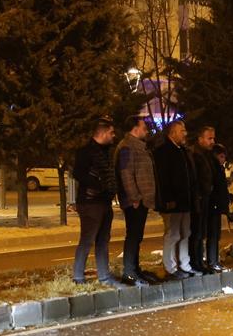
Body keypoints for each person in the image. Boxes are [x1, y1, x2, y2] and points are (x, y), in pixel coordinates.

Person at [72, 117, 119, 286]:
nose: (114, 135)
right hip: (90, 203)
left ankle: (104, 276)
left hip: (104, 202)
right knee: (87, 239)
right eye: (112, 132)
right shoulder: (86, 152)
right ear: (103, 132)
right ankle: (78, 277)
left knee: (103, 240)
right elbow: (78, 173)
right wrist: (98, 185)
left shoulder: (106, 151)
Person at [153, 120, 200, 280]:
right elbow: (163, 179)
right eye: (182, 130)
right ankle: (170, 267)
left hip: (185, 201)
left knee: (185, 233)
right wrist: (168, 199)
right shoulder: (163, 152)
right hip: (173, 202)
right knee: (172, 234)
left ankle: (184, 264)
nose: (185, 133)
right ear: (172, 133)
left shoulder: (182, 151)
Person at [115, 115, 157, 286]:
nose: (146, 130)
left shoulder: (137, 146)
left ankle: (135, 269)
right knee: (133, 235)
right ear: (135, 128)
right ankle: (129, 272)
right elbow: (126, 174)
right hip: (135, 201)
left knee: (137, 235)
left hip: (141, 200)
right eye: (143, 127)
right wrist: (135, 197)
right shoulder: (127, 147)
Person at [189, 126, 217, 273]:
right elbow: (195, 178)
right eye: (209, 138)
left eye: (213, 138)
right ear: (200, 139)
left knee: (201, 232)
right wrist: (199, 195)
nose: (212, 141)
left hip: (205, 198)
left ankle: (200, 262)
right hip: (199, 199)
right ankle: (196, 262)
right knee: (197, 233)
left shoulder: (206, 154)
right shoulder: (195, 154)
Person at [205, 142, 231, 271]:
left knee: (216, 235)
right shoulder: (213, 168)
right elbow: (215, 188)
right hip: (213, 206)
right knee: (213, 235)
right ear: (215, 156)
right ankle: (212, 261)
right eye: (221, 156)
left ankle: (214, 260)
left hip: (217, 206)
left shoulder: (219, 168)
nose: (223, 159)